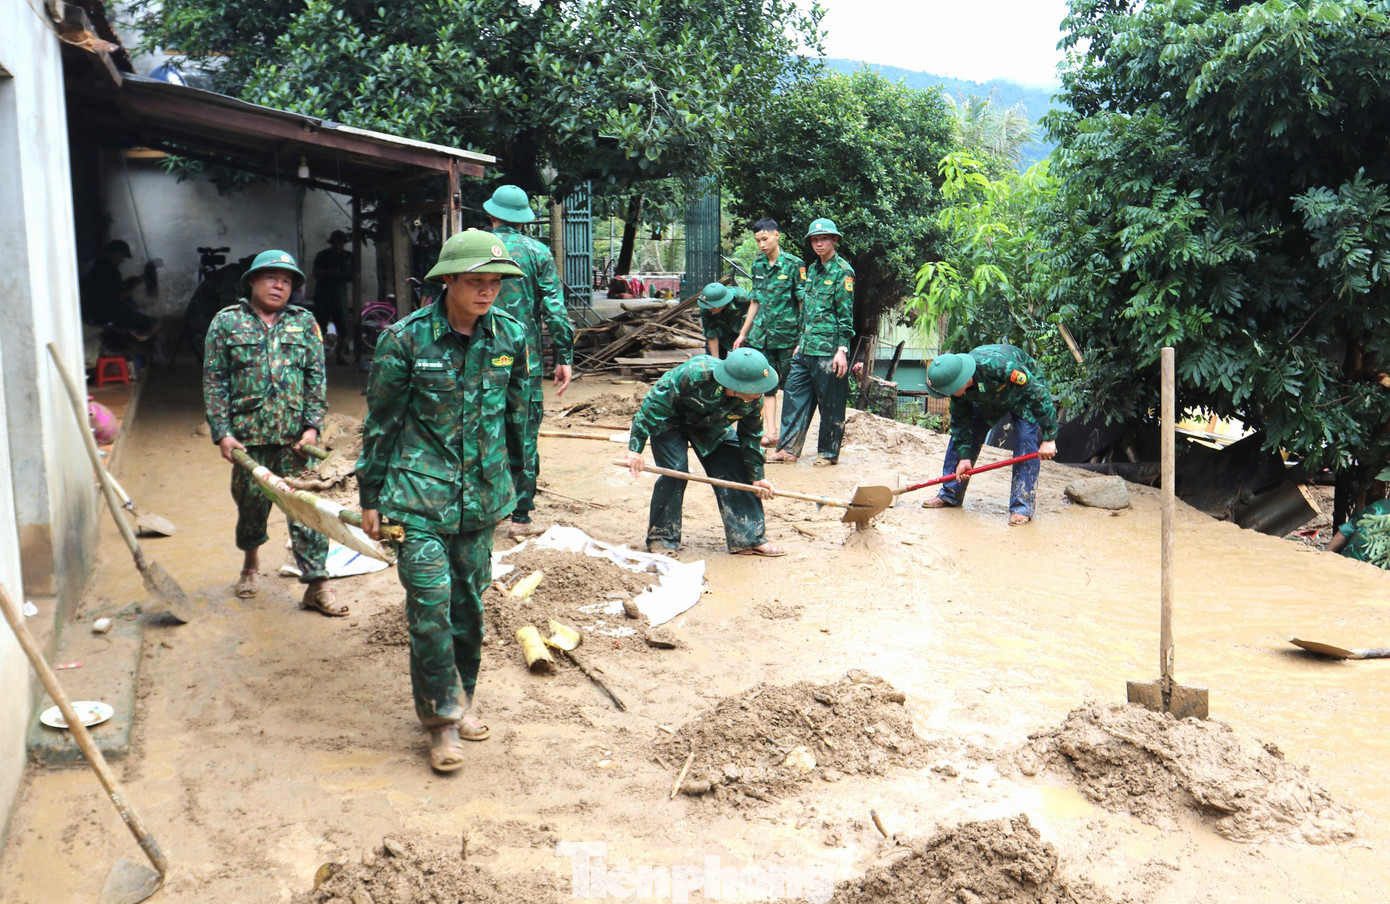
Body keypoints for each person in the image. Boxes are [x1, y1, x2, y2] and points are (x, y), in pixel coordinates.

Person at [356, 229, 529, 773]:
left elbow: (519, 415)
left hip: (481, 499)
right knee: (430, 609)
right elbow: (380, 423)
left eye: (495, 282)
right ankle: (442, 721)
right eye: (476, 281)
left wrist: (520, 488)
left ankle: (463, 696)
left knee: (469, 609)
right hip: (415, 498)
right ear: (447, 280)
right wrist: (370, 496)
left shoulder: (510, 338)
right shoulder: (405, 340)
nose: (487, 292)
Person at [203, 250, 341, 614]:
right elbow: (215, 379)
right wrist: (222, 432)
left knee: (307, 511)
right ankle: (250, 565)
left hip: (296, 442)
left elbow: (316, 377)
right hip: (248, 441)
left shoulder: (304, 321)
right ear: (251, 281)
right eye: (271, 277)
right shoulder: (227, 322)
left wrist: (313, 427)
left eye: (287, 280)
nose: (280, 285)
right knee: (251, 508)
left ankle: (317, 584)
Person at [625, 348, 785, 557]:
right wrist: (635, 449)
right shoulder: (694, 374)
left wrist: (757, 477)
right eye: (756, 388)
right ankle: (662, 539)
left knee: (736, 464)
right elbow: (654, 405)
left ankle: (748, 538)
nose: (760, 392)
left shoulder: (753, 400)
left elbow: (751, 437)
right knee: (675, 472)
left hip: (712, 424)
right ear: (736, 385)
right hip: (670, 420)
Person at [483, 184, 576, 539]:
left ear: (492, 214)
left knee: (479, 428)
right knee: (523, 434)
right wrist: (563, 357)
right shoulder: (538, 252)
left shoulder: (475, 247)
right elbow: (554, 309)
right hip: (525, 360)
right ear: (522, 219)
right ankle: (520, 517)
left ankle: (485, 508)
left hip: (479, 358)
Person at [920, 344, 1059, 525]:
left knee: (1025, 441)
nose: (946, 395)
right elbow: (961, 424)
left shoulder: (1002, 367)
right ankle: (950, 494)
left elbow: (1039, 395)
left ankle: (1021, 507)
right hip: (987, 399)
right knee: (960, 438)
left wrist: (1050, 437)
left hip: (1023, 397)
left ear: (958, 383)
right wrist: (964, 458)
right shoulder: (958, 391)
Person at [767, 217, 855, 467]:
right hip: (805, 348)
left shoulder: (843, 271)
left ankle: (828, 453)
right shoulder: (813, 269)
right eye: (815, 240)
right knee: (793, 396)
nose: (819, 243)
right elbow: (808, 310)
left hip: (829, 350)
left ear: (834, 240)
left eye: (824, 239)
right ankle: (788, 449)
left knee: (831, 405)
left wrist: (842, 350)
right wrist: (800, 340)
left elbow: (845, 313)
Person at [734, 217, 804, 447]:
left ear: (776, 236)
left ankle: (790, 437)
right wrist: (743, 333)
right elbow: (755, 300)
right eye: (757, 241)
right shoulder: (758, 265)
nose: (761, 244)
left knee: (792, 387)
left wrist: (803, 336)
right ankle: (771, 432)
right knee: (767, 386)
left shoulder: (794, 264)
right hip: (761, 337)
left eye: (764, 239)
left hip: (787, 338)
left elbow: (802, 301)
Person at [80, 239, 158, 335]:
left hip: (91, 313)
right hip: (105, 314)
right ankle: (139, 343)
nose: (122, 261)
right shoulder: (111, 271)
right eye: (122, 257)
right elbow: (119, 297)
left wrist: (128, 283)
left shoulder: (98, 265)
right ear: (116, 254)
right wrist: (137, 283)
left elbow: (107, 289)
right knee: (154, 324)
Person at [1326, 474, 1390, 565]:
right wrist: (1325, 555)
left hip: (1373, 574)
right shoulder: (1380, 506)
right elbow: (1347, 530)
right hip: (1345, 563)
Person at [311, 230, 354, 365]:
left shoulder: (348, 257)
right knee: (319, 327)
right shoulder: (323, 255)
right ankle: (317, 357)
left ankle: (339, 355)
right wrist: (327, 272)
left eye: (341, 243)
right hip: (323, 296)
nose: (338, 245)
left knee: (343, 328)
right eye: (336, 242)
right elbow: (316, 273)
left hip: (339, 297)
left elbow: (353, 276)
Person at [697, 281, 751, 359]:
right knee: (712, 361)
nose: (711, 309)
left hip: (745, 332)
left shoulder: (741, 297)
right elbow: (711, 334)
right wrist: (715, 362)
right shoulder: (705, 308)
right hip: (722, 334)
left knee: (746, 361)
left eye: (713, 306)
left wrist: (744, 334)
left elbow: (756, 311)